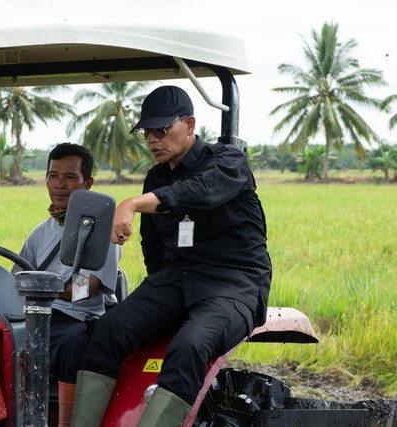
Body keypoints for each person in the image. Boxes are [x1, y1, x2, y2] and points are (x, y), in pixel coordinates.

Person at [70, 86, 271, 426]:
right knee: (107, 330)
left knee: (191, 344)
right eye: (147, 132)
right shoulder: (157, 177)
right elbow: (154, 247)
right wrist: (157, 303)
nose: (153, 139)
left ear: (190, 124)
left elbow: (198, 193)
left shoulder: (227, 162)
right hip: (176, 279)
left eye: (162, 130)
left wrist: (132, 203)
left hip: (233, 283)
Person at [12, 143, 121, 427]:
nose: (59, 185)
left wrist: (47, 291)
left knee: (74, 344)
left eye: (70, 177)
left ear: (88, 183)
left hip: (77, 317)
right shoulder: (40, 233)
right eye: (53, 175)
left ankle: (68, 421)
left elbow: (89, 288)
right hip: (38, 314)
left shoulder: (103, 234)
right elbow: (17, 278)